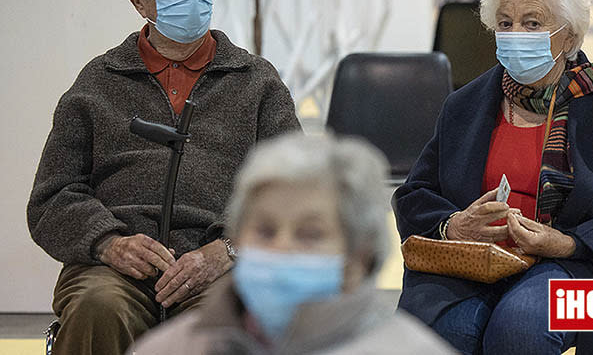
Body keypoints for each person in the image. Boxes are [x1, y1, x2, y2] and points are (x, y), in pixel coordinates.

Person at [27, 0, 299, 355]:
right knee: (99, 306)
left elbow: (293, 191)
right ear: (139, 1)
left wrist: (227, 249)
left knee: (230, 319)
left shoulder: (257, 82)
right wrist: (108, 242)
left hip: (223, 263)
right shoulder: (97, 83)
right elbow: (52, 195)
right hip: (115, 267)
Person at [393, 0, 593, 355]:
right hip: (481, 262)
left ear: (570, 37)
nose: (515, 34)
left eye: (533, 23)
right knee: (439, 334)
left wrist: (569, 244)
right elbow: (413, 195)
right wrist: (454, 225)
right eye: (505, 23)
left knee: (519, 330)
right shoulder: (466, 104)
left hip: (586, 267)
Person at [128, 133, 457, 354]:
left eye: (310, 234)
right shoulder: (168, 348)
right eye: (265, 231)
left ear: (359, 257)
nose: (280, 247)